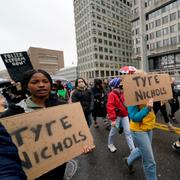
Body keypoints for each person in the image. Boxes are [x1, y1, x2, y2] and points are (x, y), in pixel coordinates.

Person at [0, 69, 92, 180]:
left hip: (59, 168)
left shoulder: (62, 106)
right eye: (35, 82)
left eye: (45, 81)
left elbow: (72, 135)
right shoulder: (13, 114)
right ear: (26, 86)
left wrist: (81, 146)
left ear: (50, 84)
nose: (41, 85)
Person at [126, 97, 157, 180]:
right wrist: (147, 108)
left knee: (141, 150)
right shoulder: (131, 92)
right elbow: (134, 117)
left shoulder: (149, 89)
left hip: (148, 127)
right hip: (138, 130)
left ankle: (128, 161)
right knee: (150, 162)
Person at [107, 77, 135, 153]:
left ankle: (132, 149)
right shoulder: (111, 95)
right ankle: (110, 144)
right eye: (121, 84)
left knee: (128, 132)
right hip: (117, 117)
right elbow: (110, 107)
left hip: (124, 115)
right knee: (113, 131)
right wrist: (112, 119)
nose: (122, 85)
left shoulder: (123, 93)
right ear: (117, 86)